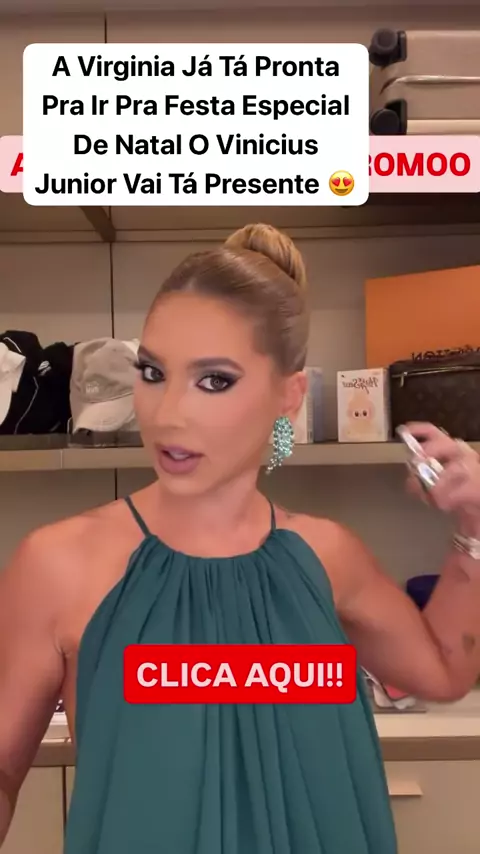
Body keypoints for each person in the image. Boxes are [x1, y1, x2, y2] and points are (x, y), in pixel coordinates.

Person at [1, 223, 480, 854]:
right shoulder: (58, 565)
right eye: (153, 372)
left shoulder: (327, 556)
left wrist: (474, 526)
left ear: (289, 395)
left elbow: (444, 672)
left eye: (214, 380)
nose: (168, 412)